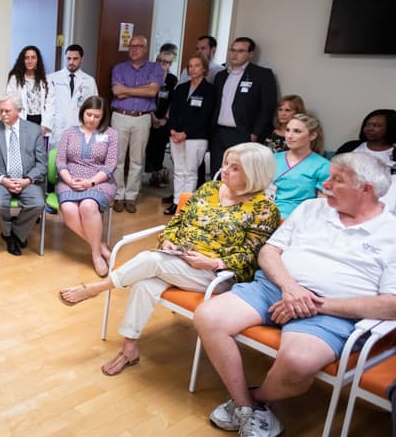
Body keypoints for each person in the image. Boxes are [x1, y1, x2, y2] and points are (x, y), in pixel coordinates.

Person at [194, 153, 396, 437]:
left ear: (365, 189)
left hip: (333, 313)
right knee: (209, 316)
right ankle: (248, 409)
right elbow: (269, 252)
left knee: (299, 362)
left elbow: (390, 305)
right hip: (274, 287)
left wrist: (316, 304)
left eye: (337, 180)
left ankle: (251, 401)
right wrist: (291, 288)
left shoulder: (391, 233)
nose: (325, 184)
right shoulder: (311, 209)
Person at [60, 143, 279, 376]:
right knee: (145, 283)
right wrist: (168, 241)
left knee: (151, 261)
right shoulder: (210, 189)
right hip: (177, 260)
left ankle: (99, 288)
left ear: (253, 173)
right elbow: (177, 222)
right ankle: (129, 349)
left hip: (216, 275)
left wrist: (213, 263)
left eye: (234, 168)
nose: (224, 170)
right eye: (226, 163)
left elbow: (251, 256)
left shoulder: (264, 209)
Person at [56, 96, 118, 276]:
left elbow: (110, 165)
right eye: (88, 114)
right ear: (82, 112)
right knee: (68, 209)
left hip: (99, 181)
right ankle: (100, 247)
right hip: (70, 180)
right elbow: (61, 161)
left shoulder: (110, 134)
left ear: (103, 117)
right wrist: (69, 180)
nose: (91, 119)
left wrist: (90, 182)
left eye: (96, 116)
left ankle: (95, 255)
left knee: (88, 206)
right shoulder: (69, 133)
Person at [0, 96, 47, 256]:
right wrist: (3, 180)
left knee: (38, 203)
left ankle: (16, 233)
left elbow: (42, 164)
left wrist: (27, 180)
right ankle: (10, 235)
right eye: (0, 110)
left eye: (7, 111)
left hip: (27, 180)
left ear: (19, 110)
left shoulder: (33, 130)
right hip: (0, 181)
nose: (3, 114)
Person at [110, 34, 165, 213]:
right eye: (131, 46)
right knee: (117, 159)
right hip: (120, 116)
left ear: (145, 48)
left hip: (142, 117)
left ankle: (131, 196)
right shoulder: (119, 68)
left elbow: (153, 91)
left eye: (138, 46)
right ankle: (118, 195)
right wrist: (143, 89)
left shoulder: (155, 68)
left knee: (137, 159)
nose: (134, 49)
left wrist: (129, 90)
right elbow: (117, 92)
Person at [210, 37, 277, 176]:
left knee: (240, 175)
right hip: (219, 133)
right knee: (217, 174)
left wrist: (255, 133)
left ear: (250, 54)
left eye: (240, 51)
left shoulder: (262, 75)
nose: (235, 54)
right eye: (232, 50)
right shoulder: (221, 75)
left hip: (243, 133)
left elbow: (268, 107)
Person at [166, 55, 216, 215]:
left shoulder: (210, 90)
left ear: (204, 69)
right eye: (190, 66)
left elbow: (204, 116)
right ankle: (176, 202)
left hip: (196, 137)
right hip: (175, 135)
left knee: (191, 172)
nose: (193, 69)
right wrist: (173, 130)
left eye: (197, 65)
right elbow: (173, 111)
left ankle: (186, 205)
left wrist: (186, 133)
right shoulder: (181, 88)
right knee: (179, 170)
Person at [271, 113, 330, 218]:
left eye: (297, 131)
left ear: (312, 136)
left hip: (297, 218)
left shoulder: (323, 166)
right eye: (287, 130)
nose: (289, 136)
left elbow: (322, 206)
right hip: (263, 213)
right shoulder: (273, 158)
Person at [48, 44, 98, 148]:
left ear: (81, 59)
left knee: (76, 161)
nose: (71, 62)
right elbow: (47, 106)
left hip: (79, 128)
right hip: (57, 129)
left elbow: (94, 108)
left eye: (75, 59)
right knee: (55, 161)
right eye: (68, 58)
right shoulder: (52, 78)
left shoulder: (89, 81)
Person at [6, 45, 56, 134]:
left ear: (37, 60)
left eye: (33, 57)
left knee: (38, 147)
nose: (30, 61)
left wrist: (45, 125)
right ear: (23, 60)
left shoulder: (46, 80)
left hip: (40, 122)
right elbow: (11, 101)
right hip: (22, 120)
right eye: (27, 58)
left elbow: (50, 103)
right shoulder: (15, 79)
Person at [146, 51, 177, 190]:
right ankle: (154, 172)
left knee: (159, 146)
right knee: (149, 146)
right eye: (160, 61)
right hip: (150, 116)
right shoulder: (149, 77)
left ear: (170, 64)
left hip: (165, 119)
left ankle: (159, 174)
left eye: (166, 62)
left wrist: (165, 118)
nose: (162, 64)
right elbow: (147, 98)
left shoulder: (172, 79)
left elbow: (173, 102)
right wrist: (152, 116)